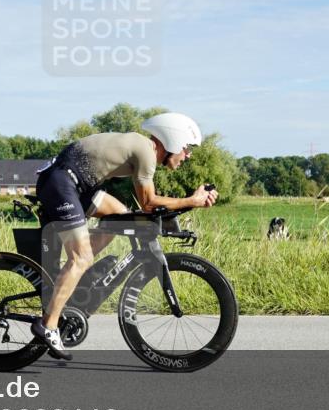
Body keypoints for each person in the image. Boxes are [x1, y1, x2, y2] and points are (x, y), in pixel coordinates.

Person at [31, 112, 218, 359]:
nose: (188, 155)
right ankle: (49, 325)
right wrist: (191, 200)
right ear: (172, 140)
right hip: (62, 183)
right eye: (186, 148)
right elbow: (149, 202)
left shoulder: (143, 150)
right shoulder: (146, 152)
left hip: (77, 184)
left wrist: (188, 205)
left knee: (119, 216)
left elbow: (147, 210)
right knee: (81, 257)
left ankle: (75, 280)